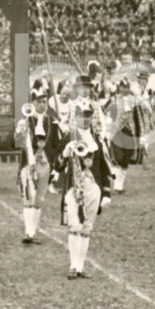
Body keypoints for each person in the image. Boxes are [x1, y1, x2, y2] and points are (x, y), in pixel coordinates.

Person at [52, 99, 113, 279]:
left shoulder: (98, 140)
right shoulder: (69, 137)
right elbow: (57, 166)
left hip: (93, 188)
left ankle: (80, 266)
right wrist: (65, 153)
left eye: (88, 116)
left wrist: (106, 192)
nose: (85, 119)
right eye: (82, 116)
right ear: (76, 117)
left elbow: (104, 167)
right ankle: (73, 265)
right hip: (74, 188)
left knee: (87, 227)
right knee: (75, 225)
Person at [15, 88, 58, 244]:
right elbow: (16, 144)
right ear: (32, 103)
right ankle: (28, 232)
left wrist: (55, 166)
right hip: (28, 164)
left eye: (44, 102)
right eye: (38, 102)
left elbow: (56, 145)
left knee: (39, 199)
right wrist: (19, 132)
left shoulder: (52, 122)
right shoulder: (25, 121)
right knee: (29, 196)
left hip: (45, 164)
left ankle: (33, 231)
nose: (42, 105)